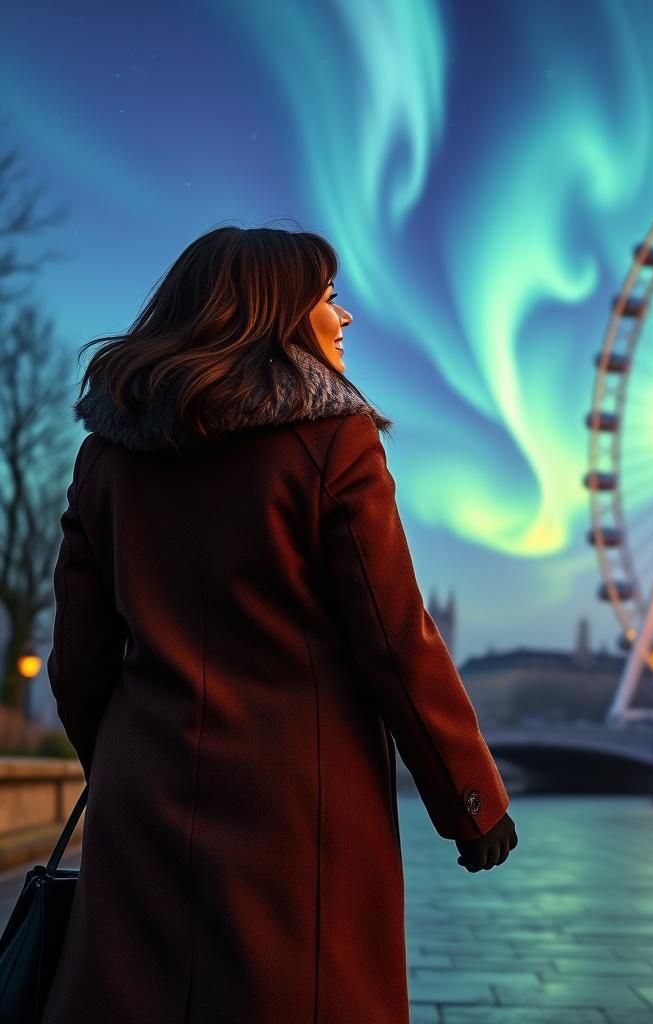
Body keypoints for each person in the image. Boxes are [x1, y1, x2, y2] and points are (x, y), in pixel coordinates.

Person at [43, 225, 517, 1024]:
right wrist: (471, 801)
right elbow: (395, 637)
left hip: (143, 802)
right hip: (299, 810)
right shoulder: (333, 441)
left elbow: (78, 662)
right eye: (330, 298)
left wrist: (127, 765)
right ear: (278, 313)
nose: (347, 317)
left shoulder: (106, 458)